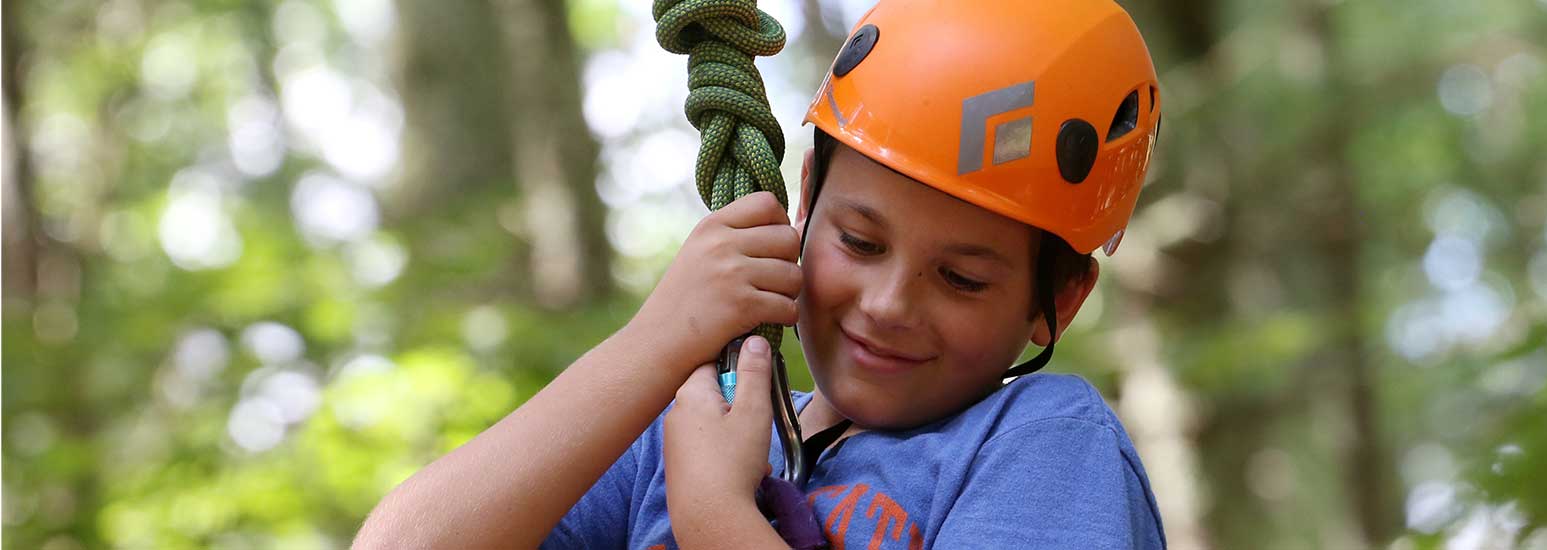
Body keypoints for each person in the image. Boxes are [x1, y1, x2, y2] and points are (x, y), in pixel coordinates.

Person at [354, 0, 1165, 547]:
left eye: (960, 278)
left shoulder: (1043, 442)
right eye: (860, 242)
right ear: (806, 194)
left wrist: (715, 520)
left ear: (1056, 299)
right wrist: (656, 345)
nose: (887, 305)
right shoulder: (687, 424)